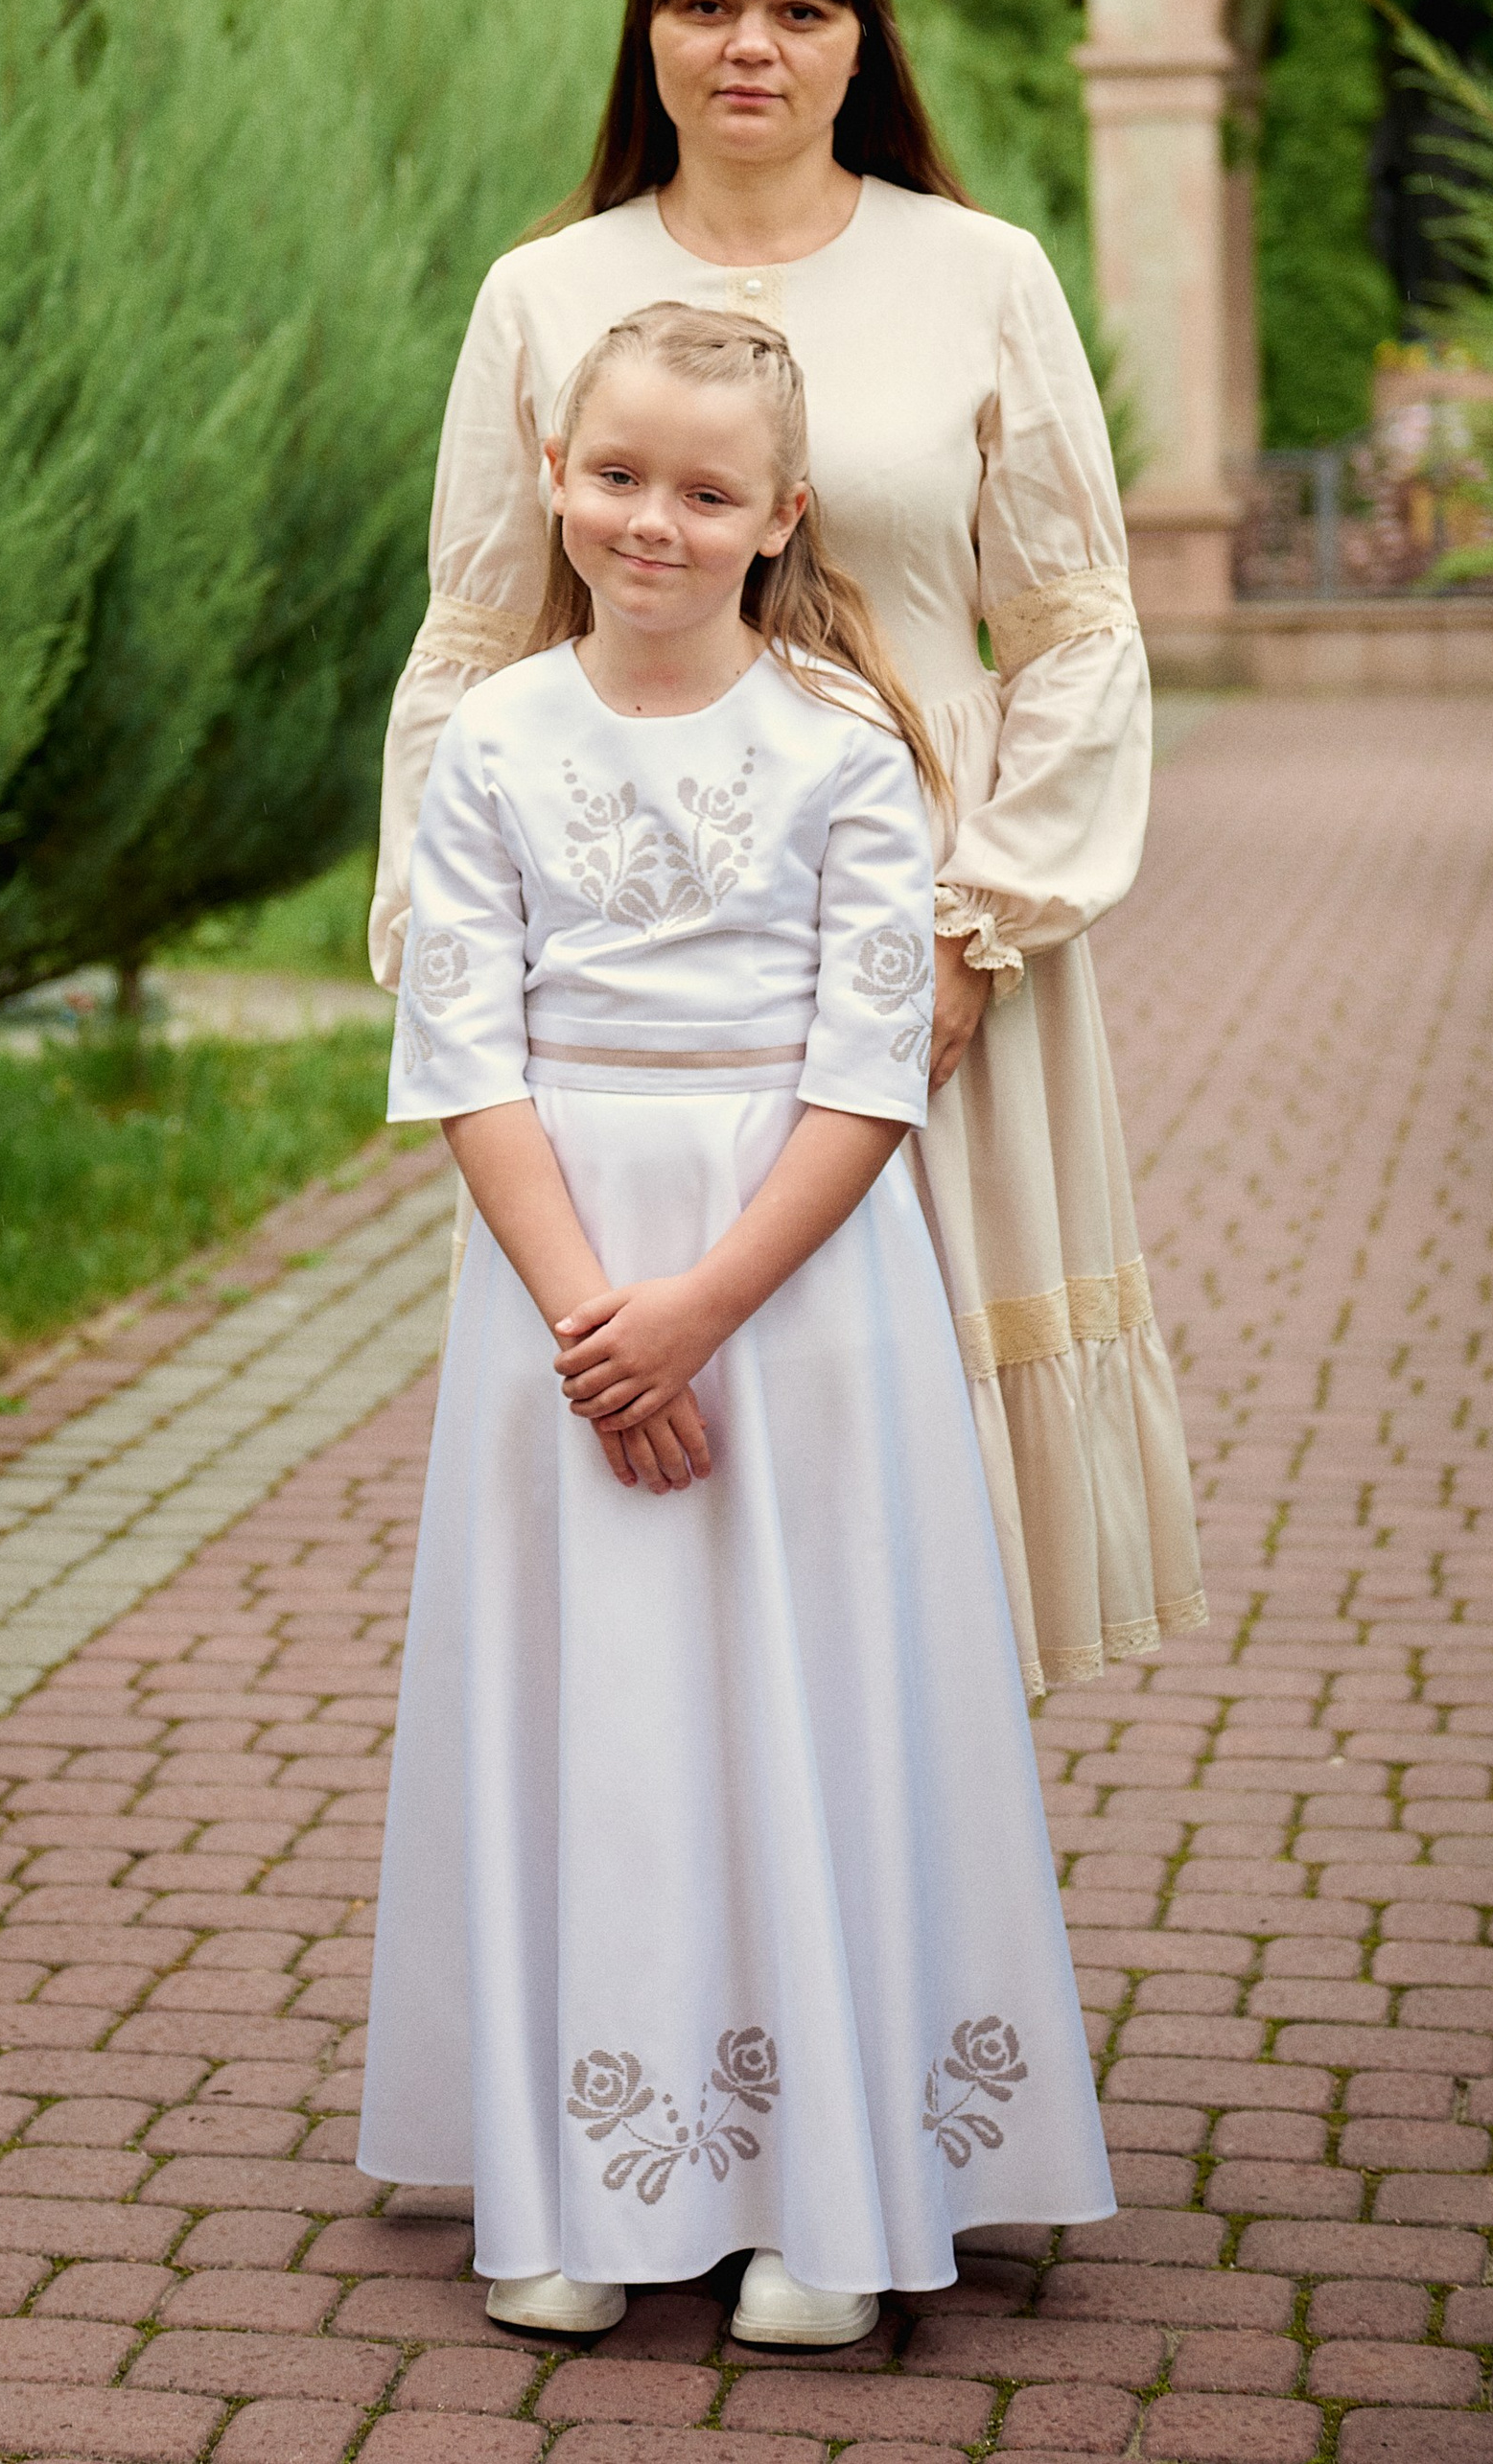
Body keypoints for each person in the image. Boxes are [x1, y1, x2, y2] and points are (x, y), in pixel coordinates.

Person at [370, 0, 1202, 1699]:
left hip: (928, 941)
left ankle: (902, 1882)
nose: (748, 44)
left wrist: (974, 934)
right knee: (647, 1427)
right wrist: (444, 944)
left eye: (797, 5)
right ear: (645, 33)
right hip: (622, 966)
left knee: (905, 1454)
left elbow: (1071, 633)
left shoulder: (978, 274)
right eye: (704, 0)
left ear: (856, 42)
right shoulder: (539, 291)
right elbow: (471, 642)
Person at [359, 301, 1115, 2339]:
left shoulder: (839, 747)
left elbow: (870, 1068)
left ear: (783, 513)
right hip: (564, 1279)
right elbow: (463, 1046)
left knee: (800, 1694)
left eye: (705, 491)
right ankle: (588, 2168)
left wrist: (691, 1315)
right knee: (595, 1709)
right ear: (553, 477)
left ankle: (826, 2184)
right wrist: (590, 1323)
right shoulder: (498, 738)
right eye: (615, 475)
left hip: (788, 1290)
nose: (652, 521)